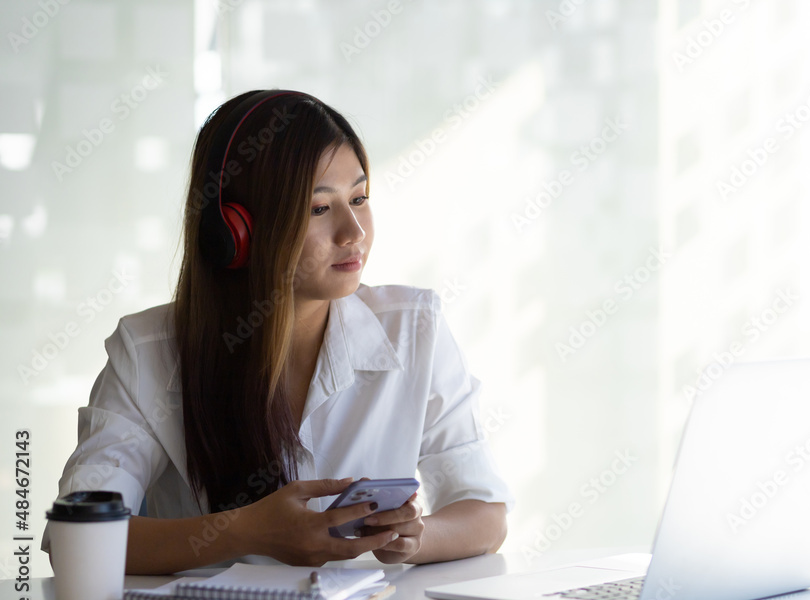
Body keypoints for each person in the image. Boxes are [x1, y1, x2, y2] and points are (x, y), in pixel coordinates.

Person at [41, 90, 512, 575]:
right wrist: (246, 531)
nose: (354, 233)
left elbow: (486, 515)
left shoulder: (414, 329)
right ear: (235, 231)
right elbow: (76, 541)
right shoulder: (147, 352)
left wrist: (414, 537)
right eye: (318, 209)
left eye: (358, 198)